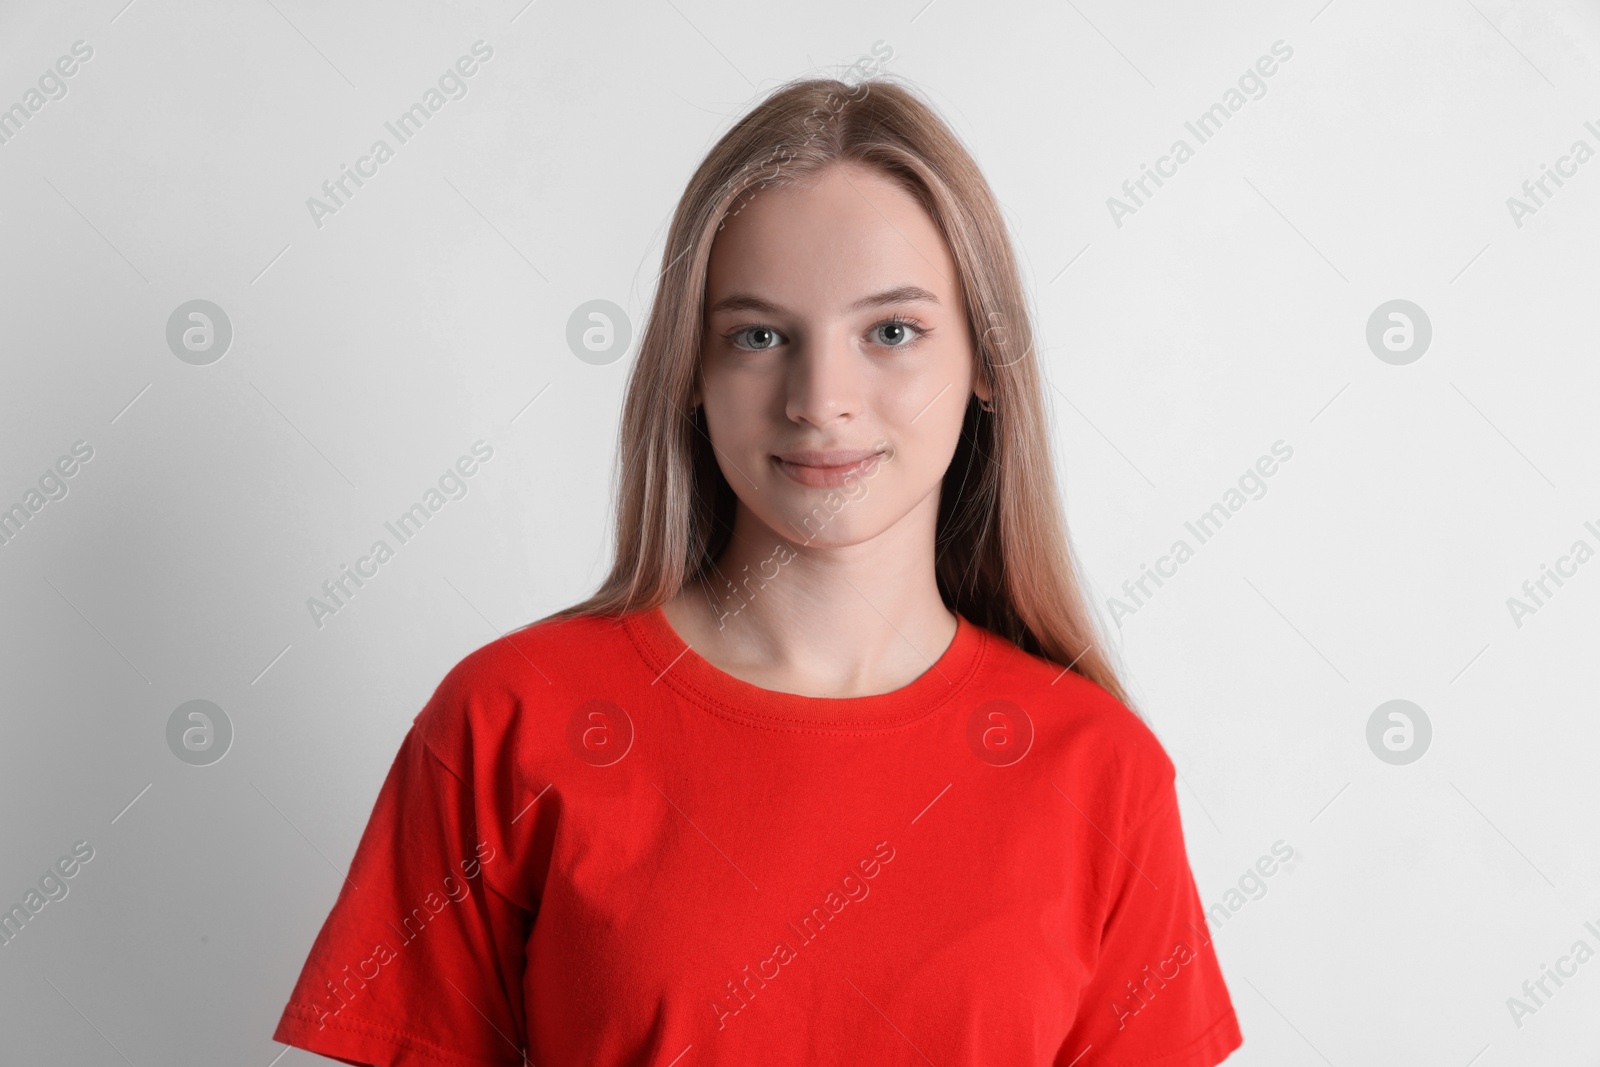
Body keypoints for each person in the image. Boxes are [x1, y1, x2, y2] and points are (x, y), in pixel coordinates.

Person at [271, 72, 1243, 1066]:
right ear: (692, 369)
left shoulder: (1100, 772)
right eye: (760, 335)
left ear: (988, 361)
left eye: (892, 331)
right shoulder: (506, 722)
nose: (821, 399)